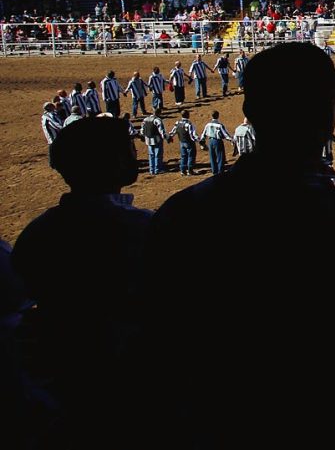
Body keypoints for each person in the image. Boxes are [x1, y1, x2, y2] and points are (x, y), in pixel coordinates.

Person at [139, 42, 335, 447]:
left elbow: (152, 332)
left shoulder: (180, 214)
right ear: (327, 117)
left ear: (250, 112)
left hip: (218, 422)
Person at [12, 116, 149, 446]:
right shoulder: (142, 228)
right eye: (128, 148)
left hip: (66, 368)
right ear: (112, 161)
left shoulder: (39, 232)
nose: (135, 152)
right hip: (132, 369)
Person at [201, 110, 233, 175]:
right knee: (220, 157)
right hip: (218, 142)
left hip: (210, 142)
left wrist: (202, 143)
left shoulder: (208, 124)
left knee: (212, 157)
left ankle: (214, 172)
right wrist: (231, 140)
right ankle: (220, 172)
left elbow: (203, 134)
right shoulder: (219, 125)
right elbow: (225, 134)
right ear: (218, 116)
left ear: (211, 116)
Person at [168, 109, 199, 176]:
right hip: (189, 142)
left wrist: (170, 137)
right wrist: (198, 140)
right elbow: (192, 135)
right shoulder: (189, 124)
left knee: (183, 156)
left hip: (181, 142)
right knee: (191, 156)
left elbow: (173, 132)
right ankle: (190, 171)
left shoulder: (177, 123)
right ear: (188, 115)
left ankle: (183, 171)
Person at [140, 108, 167, 175]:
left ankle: (151, 170)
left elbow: (142, 130)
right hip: (157, 139)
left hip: (148, 139)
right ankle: (157, 169)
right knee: (158, 155)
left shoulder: (145, 119)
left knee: (151, 155)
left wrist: (144, 136)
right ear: (159, 113)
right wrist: (165, 137)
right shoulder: (157, 120)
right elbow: (161, 131)